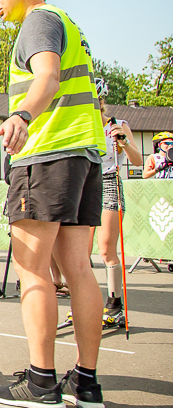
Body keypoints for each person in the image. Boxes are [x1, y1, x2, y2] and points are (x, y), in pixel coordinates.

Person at [0, 0, 106, 408]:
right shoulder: (67, 22)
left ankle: (40, 383)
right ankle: (87, 384)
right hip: (84, 154)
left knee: (32, 270)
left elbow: (48, 79)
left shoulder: (38, 21)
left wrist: (21, 115)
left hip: (48, 152)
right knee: (78, 269)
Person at [87, 80, 143, 328]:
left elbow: (138, 160)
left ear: (101, 102)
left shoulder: (118, 126)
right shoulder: (82, 125)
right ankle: (86, 303)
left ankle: (115, 303)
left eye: (95, 102)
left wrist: (124, 142)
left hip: (110, 182)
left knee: (107, 248)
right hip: (86, 183)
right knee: (79, 251)